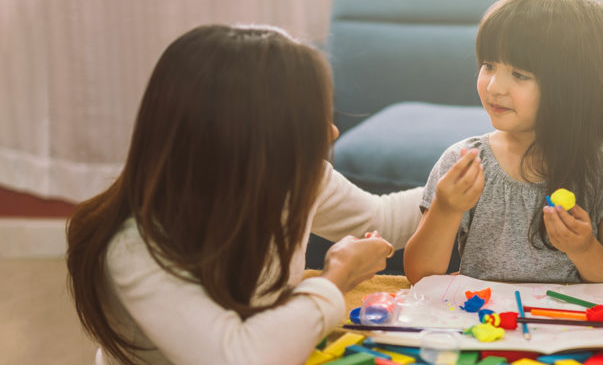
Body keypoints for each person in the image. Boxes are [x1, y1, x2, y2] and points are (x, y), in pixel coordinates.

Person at [66, 24, 423, 365]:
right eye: (307, 120)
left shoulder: (293, 177)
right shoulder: (135, 245)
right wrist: (337, 278)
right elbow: (239, 356)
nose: (330, 132)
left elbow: (381, 220)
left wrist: (471, 162)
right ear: (249, 137)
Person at [403, 0, 603, 285]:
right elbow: (420, 276)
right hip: (484, 323)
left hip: (568, 326)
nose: (494, 87)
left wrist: (583, 248)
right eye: (489, 65)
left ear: (573, 87)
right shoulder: (464, 162)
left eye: (519, 74)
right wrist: (445, 208)